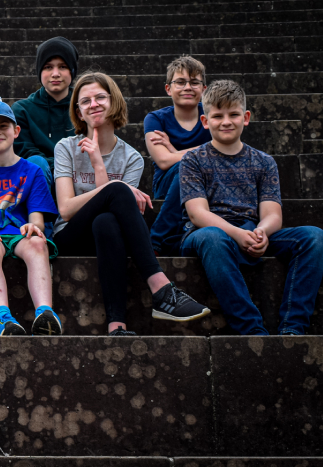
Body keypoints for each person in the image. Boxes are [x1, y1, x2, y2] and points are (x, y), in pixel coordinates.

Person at [51, 71, 209, 336]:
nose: (94, 104)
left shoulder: (132, 157)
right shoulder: (66, 147)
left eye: (100, 97)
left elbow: (114, 208)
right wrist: (117, 186)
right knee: (117, 191)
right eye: (85, 101)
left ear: (113, 103)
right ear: (78, 112)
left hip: (107, 235)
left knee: (107, 221)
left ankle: (117, 325)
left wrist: (99, 165)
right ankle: (161, 289)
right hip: (70, 235)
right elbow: (65, 209)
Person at [180, 80, 323, 336]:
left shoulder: (264, 161)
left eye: (233, 114)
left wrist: (261, 232)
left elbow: (272, 214)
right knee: (213, 238)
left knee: (314, 237)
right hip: (208, 235)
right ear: (205, 121)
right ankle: (251, 330)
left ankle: (293, 327)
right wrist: (237, 234)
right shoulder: (193, 160)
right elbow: (197, 213)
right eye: (217, 116)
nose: (226, 121)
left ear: (246, 117)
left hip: (251, 231)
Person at [0, 101, 62, 336]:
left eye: (3, 126)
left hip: (19, 235)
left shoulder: (32, 171)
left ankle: (45, 313)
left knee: (38, 241)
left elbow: (37, 221)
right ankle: (3, 318)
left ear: (16, 131)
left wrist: (31, 226)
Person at [145, 56, 211, 255]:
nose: (187, 87)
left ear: (204, 89)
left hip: (208, 183)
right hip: (168, 185)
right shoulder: (155, 118)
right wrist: (204, 151)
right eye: (180, 82)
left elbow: (222, 151)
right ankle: (156, 240)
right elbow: (163, 161)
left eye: (194, 82)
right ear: (168, 89)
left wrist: (175, 151)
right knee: (185, 167)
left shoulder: (211, 116)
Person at [12, 36, 80, 190]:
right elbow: (25, 152)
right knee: (36, 162)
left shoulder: (85, 107)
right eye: (48, 67)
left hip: (80, 176)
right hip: (42, 178)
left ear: (72, 70)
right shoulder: (22, 110)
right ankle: (42, 213)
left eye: (62, 66)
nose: (55, 73)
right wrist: (62, 170)